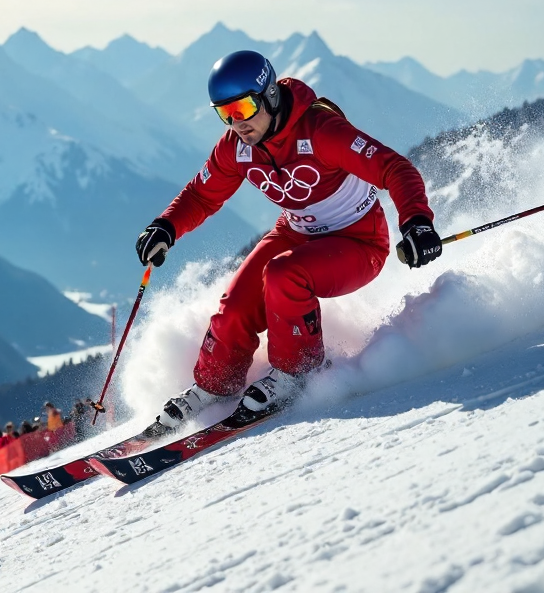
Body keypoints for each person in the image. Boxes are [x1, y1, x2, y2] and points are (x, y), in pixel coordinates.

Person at [135, 50, 441, 429]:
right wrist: (166, 226)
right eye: (224, 113)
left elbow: (395, 167)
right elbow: (202, 195)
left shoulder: (321, 131)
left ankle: (297, 373)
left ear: (270, 96)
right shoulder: (237, 147)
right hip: (295, 232)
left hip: (359, 242)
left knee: (283, 274)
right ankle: (215, 385)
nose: (236, 124)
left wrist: (416, 222)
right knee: (235, 305)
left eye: (243, 108)